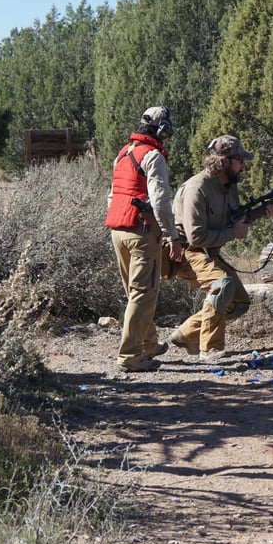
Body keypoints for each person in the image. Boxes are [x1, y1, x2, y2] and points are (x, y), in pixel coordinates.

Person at [168, 135, 273, 362]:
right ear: (225, 161)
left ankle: (186, 334)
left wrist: (257, 216)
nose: (243, 166)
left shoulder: (229, 188)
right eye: (240, 161)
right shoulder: (197, 189)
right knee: (223, 285)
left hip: (210, 252)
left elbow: (233, 221)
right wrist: (234, 233)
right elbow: (196, 237)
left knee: (238, 303)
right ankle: (210, 349)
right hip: (187, 253)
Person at [105, 106, 183, 372]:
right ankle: (130, 356)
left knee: (135, 293)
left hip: (118, 230)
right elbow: (160, 201)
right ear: (162, 130)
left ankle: (149, 344)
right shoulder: (153, 156)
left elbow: (112, 195)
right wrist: (172, 236)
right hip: (142, 232)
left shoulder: (122, 154)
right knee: (143, 294)